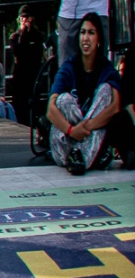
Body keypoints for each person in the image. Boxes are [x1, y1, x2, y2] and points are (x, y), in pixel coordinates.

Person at [47, 13, 121, 174]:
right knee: (63, 99)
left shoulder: (107, 69)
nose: (85, 38)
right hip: (66, 142)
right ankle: (90, 155)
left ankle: (80, 157)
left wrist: (88, 126)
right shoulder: (69, 66)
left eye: (91, 33)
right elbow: (50, 110)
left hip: (92, 133)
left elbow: (115, 106)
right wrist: (72, 131)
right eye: (83, 32)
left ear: (99, 39)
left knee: (106, 90)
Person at [9, 8, 46, 125]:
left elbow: (38, 54)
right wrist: (23, 33)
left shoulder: (37, 36)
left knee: (34, 104)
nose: (24, 21)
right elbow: (17, 52)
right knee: (20, 105)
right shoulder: (15, 37)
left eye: (26, 18)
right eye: (22, 18)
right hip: (20, 76)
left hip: (33, 75)